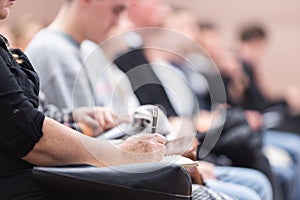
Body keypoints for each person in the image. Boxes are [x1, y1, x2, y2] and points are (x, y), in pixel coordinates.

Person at [0, 0, 167, 199]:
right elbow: (30, 135)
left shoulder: (83, 50)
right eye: (116, 10)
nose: (121, 23)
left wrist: (75, 117)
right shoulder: (53, 50)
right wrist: (122, 154)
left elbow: (33, 115)